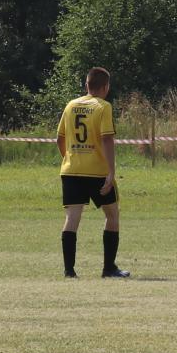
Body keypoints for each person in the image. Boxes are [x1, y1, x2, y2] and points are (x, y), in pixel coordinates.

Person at [56, 66, 128, 279]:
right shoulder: (103, 107)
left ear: (86, 85)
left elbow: (60, 138)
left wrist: (70, 158)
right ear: (106, 87)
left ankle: (69, 271)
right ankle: (109, 268)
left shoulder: (71, 105)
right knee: (112, 215)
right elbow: (107, 139)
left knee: (72, 218)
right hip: (97, 172)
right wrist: (111, 171)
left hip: (71, 170)